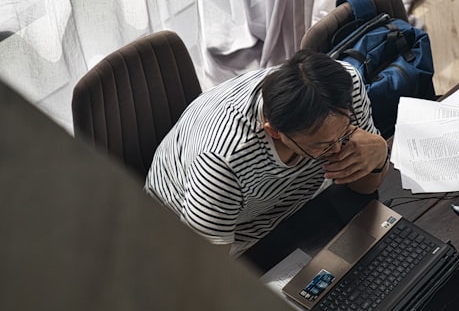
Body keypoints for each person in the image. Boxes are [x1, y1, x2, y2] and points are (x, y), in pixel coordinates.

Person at [145, 49, 390, 256]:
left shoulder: (346, 87)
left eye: (345, 132)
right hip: (208, 237)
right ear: (274, 132)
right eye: (321, 146)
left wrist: (378, 152)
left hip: (293, 207)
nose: (338, 148)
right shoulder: (222, 161)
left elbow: (364, 187)